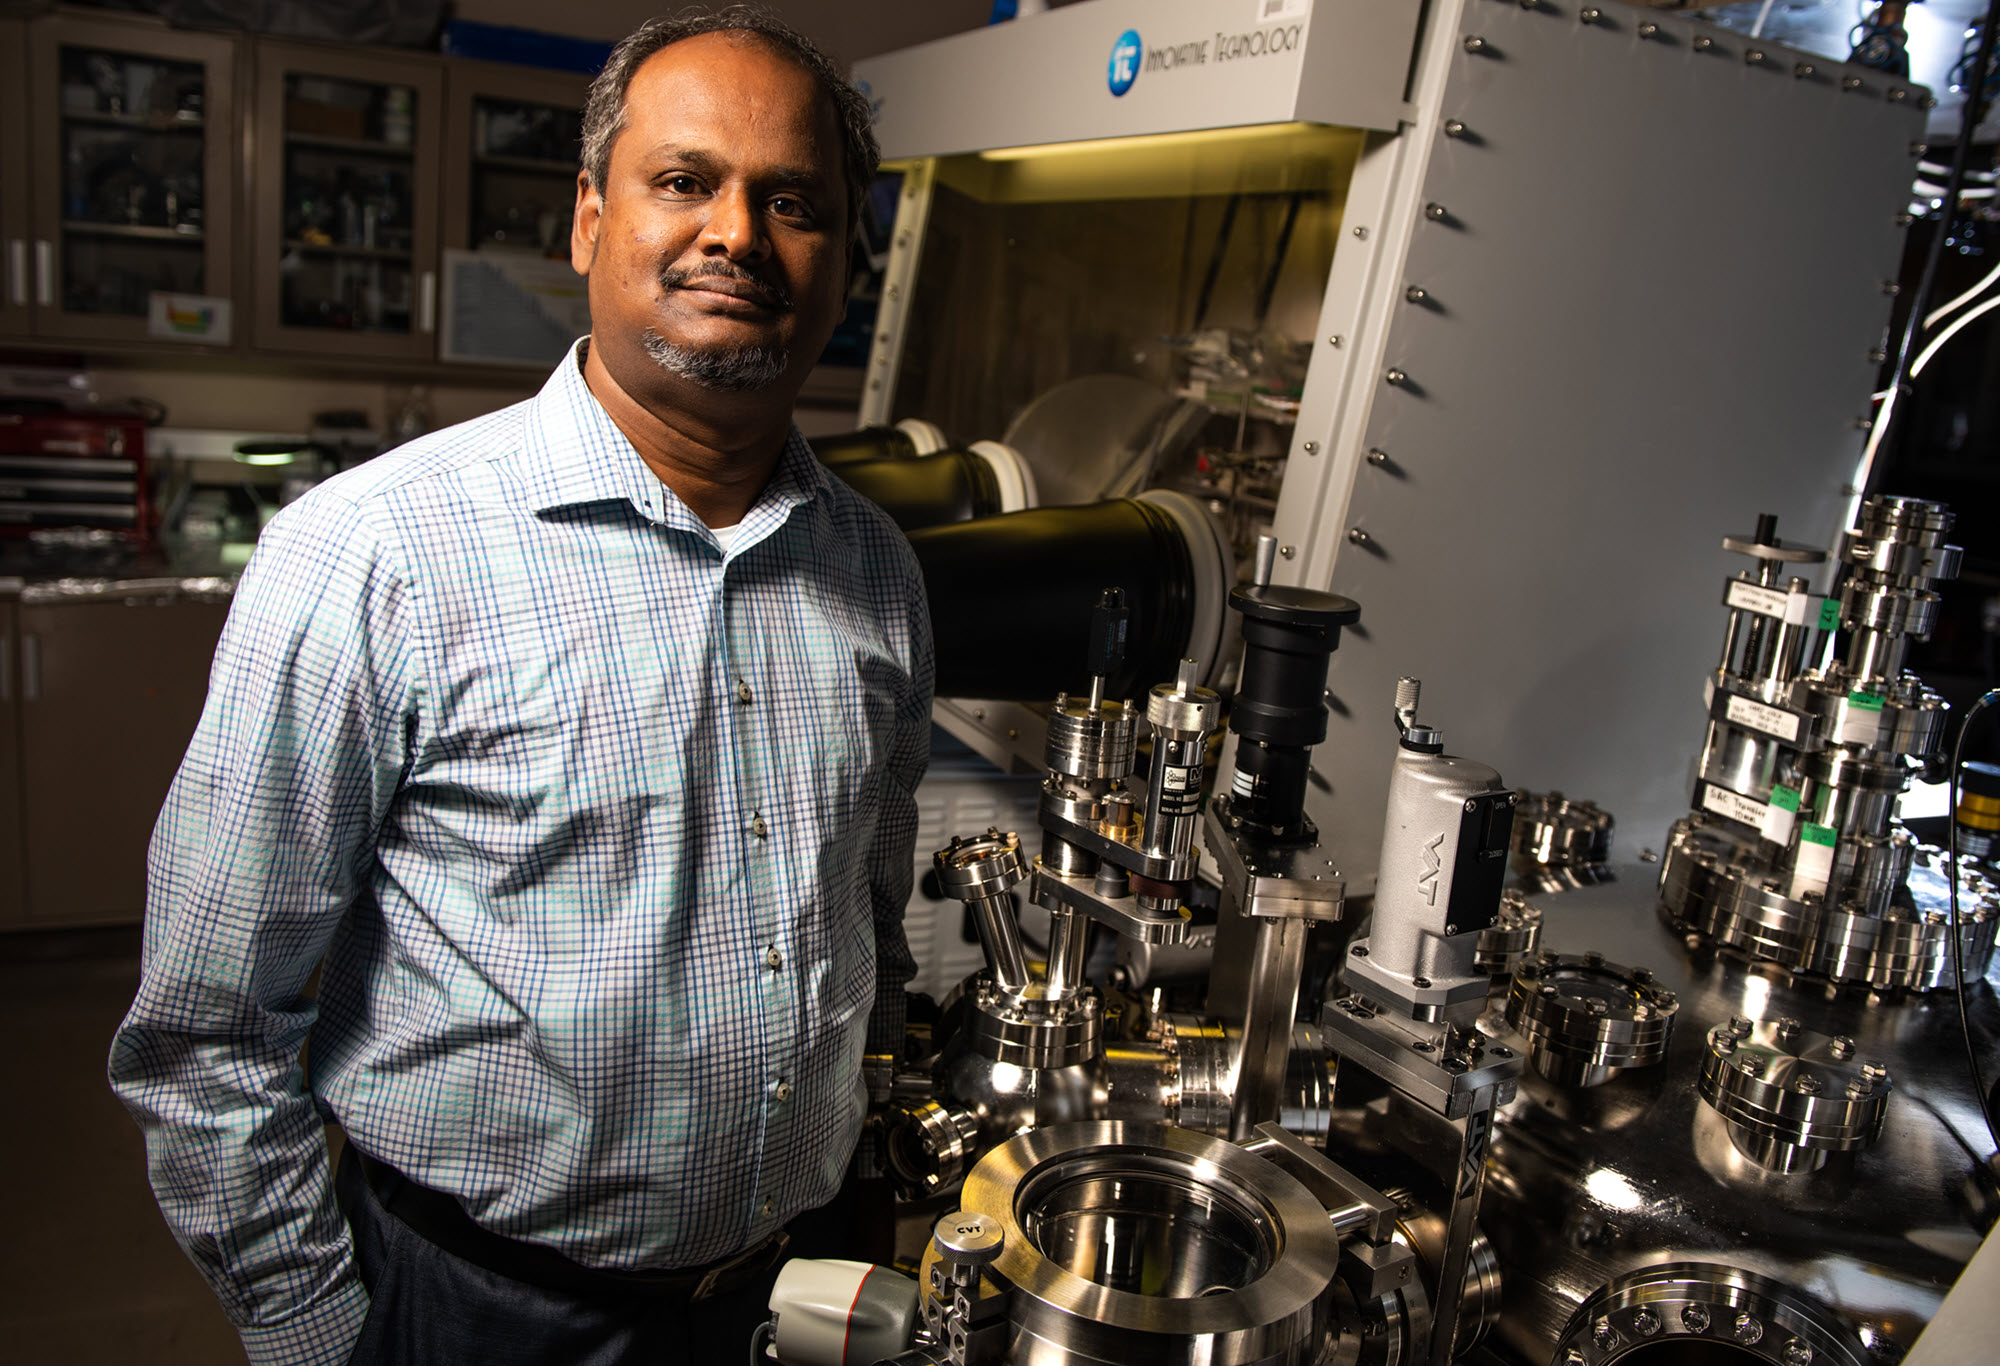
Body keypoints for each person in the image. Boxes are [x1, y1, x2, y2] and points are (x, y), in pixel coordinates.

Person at [107, 9, 931, 1364]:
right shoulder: (376, 551)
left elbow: (874, 936)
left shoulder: (878, 573)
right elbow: (205, 1029)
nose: (738, 232)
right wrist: (319, 1331)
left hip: (778, 1296)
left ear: (844, 260)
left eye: (793, 202)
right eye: (686, 181)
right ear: (589, 222)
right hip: (473, 1308)